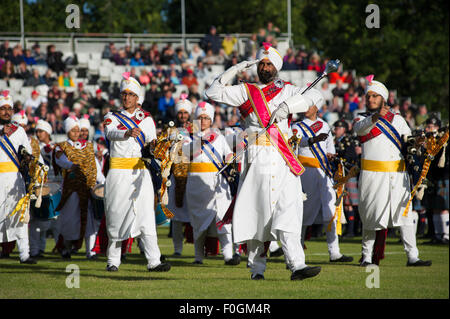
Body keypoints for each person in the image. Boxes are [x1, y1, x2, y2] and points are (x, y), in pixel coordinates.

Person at [205, 43, 323, 280]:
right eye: (262, 63)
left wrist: (289, 106)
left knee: (288, 211)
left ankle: (297, 265)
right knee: (258, 215)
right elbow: (213, 92)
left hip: (284, 160)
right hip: (257, 160)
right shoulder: (245, 90)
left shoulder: (288, 90)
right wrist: (239, 66)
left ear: (276, 68)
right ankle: (256, 269)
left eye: (269, 64)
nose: (265, 67)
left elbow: (316, 96)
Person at [353, 76, 431, 267]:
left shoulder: (398, 120)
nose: (370, 99)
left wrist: (419, 142)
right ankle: (366, 257)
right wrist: (376, 117)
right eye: (368, 96)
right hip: (373, 176)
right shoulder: (361, 118)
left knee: (404, 216)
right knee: (371, 217)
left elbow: (408, 142)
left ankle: (413, 256)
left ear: (383, 99)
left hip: (398, 176)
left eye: (374, 96)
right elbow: (360, 130)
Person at [103, 72, 170, 272]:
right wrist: (126, 133)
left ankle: (154, 261)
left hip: (140, 172)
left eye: (131, 94)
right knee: (116, 215)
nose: (127, 98)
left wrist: (163, 147)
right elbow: (110, 133)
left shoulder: (147, 119)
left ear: (137, 97)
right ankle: (113, 261)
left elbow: (151, 144)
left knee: (146, 216)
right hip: (118, 172)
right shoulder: (111, 117)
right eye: (124, 94)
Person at [292, 95, 353, 263]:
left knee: (331, 210)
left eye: (309, 105)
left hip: (324, 171)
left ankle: (335, 253)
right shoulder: (296, 126)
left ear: (316, 108)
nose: (306, 108)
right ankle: (298, 252)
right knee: (303, 212)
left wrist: (331, 155)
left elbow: (329, 147)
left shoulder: (325, 125)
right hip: (305, 172)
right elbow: (296, 146)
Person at [182, 101, 240, 266]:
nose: (203, 121)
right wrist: (200, 141)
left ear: (211, 119)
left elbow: (228, 154)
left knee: (222, 217)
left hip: (217, 181)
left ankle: (228, 255)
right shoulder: (187, 136)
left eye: (206, 118)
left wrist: (230, 159)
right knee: (198, 223)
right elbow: (184, 154)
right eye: (200, 117)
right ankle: (198, 257)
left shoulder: (219, 136)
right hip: (196, 183)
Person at [52, 116, 104, 260]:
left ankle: (90, 251)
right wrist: (71, 165)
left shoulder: (87, 146)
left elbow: (95, 168)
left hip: (87, 188)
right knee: (70, 219)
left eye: (78, 130)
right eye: (73, 130)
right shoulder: (61, 146)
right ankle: (66, 249)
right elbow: (60, 160)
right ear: (68, 131)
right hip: (71, 189)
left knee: (90, 221)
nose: (76, 133)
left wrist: (103, 183)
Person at [0, 91, 36, 264]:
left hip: (15, 179)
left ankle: (25, 254)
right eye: (3, 108)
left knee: (21, 217)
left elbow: (27, 152)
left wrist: (27, 158)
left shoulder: (19, 130)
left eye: (9, 108)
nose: (7, 112)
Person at [166, 96, 193, 256]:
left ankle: (199, 250)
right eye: (180, 113)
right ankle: (177, 249)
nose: (183, 115)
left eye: (185, 112)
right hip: (175, 176)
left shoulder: (197, 128)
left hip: (192, 177)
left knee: (195, 215)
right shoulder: (170, 130)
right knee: (176, 217)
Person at [421, 116, 449, 244]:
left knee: (443, 207)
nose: (428, 129)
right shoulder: (431, 141)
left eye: (430, 127)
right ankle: (437, 235)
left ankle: (446, 235)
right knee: (435, 208)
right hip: (433, 176)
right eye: (427, 126)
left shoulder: (443, 140)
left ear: (437, 128)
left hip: (444, 177)